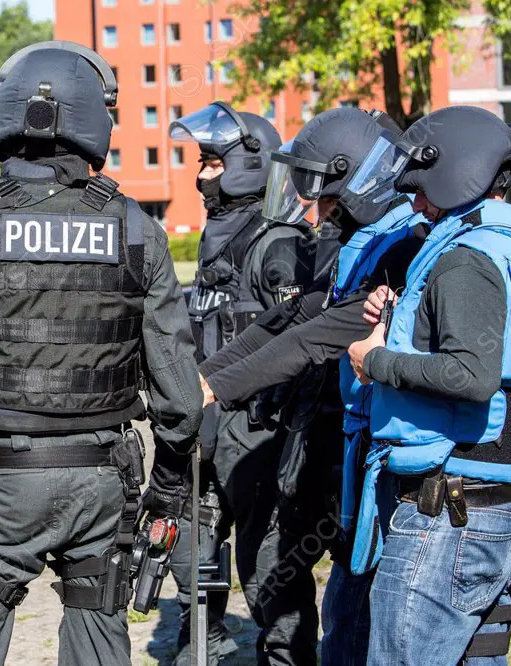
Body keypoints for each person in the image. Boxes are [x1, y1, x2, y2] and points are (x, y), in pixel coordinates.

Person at [0, 40, 202, 665]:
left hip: (4, 481)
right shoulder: (138, 229)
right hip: (106, 478)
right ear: (93, 122)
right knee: (99, 641)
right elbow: (181, 398)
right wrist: (165, 489)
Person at [197, 107, 431, 665]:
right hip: (341, 450)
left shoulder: (403, 247)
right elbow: (293, 317)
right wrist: (204, 375)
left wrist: (218, 390)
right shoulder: (361, 242)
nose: (315, 209)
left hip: (386, 462)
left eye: (325, 194)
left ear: (357, 185)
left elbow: (315, 338)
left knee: (366, 619)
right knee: (327, 603)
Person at [346, 105, 511, 665]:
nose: (416, 205)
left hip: (444, 523)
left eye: (422, 190)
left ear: (455, 174)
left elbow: (471, 375)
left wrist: (375, 361)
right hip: (491, 513)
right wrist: (405, 311)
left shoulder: (465, 260)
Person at [165, 103, 319, 665]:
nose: (200, 174)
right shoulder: (214, 238)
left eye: (210, 162)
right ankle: (199, 649)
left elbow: (306, 341)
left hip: (259, 437)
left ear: (246, 163)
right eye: (200, 162)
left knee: (268, 572)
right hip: (205, 431)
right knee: (192, 564)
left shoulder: (279, 243)